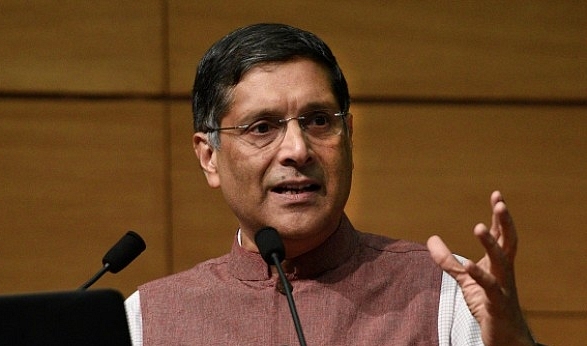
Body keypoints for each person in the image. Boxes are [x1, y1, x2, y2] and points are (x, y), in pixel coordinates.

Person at [125, 23, 542, 345]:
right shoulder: (147, 320)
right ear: (209, 157)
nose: (297, 149)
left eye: (319, 121)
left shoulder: (444, 295)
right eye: (263, 127)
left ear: (349, 138)